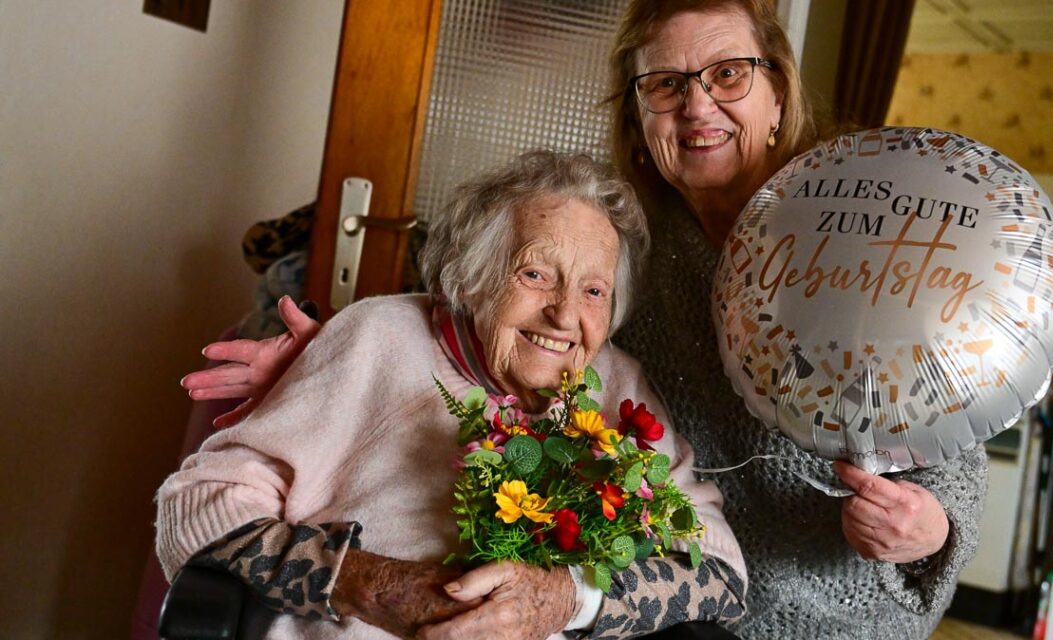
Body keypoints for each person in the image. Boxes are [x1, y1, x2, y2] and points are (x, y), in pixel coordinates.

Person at [182, 2, 988, 638]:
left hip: (830, 605)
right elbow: (500, 314)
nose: (697, 103)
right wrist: (338, 356)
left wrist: (932, 526)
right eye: (666, 84)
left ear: (778, 91)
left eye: (729, 74)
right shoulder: (637, 243)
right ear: (640, 114)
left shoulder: (859, 223)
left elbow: (952, 392)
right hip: (674, 609)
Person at [157, 151, 747, 640]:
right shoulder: (379, 339)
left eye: (594, 290)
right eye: (535, 274)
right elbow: (197, 508)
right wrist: (366, 583)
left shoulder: (617, 387)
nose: (565, 314)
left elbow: (721, 575)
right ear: (471, 274)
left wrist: (569, 599)